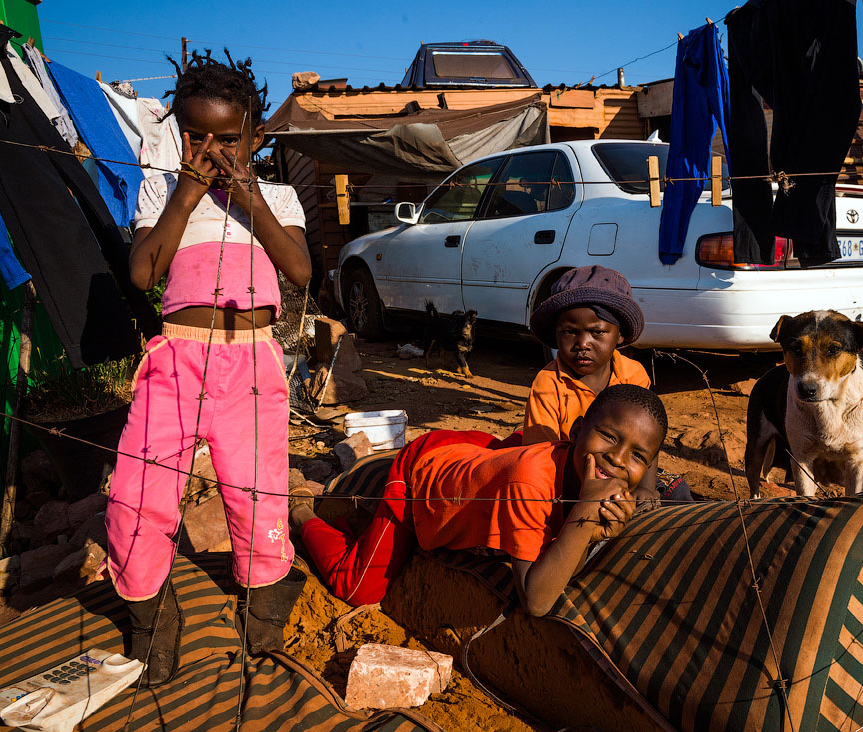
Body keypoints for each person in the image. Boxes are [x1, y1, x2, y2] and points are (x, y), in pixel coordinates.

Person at [104, 50, 311, 687]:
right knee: (138, 495)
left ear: (254, 137)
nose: (213, 149)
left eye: (229, 138)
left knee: (256, 492)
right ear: (179, 135)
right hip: (175, 359)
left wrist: (249, 198)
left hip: (251, 366)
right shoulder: (162, 189)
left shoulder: (276, 193)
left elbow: (300, 271)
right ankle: (150, 619)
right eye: (198, 136)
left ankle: (265, 613)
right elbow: (143, 273)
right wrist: (187, 194)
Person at [291, 385, 668, 616]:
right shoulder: (532, 483)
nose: (618, 460)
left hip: (480, 453)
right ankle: (303, 510)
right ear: (577, 428)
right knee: (357, 587)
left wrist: (596, 527)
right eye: (608, 436)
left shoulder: (602, 482)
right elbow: (535, 601)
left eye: (638, 456)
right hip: (423, 472)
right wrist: (586, 517)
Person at [524, 265, 692, 502]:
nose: (583, 343)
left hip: (624, 471)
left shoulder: (633, 375)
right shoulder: (548, 384)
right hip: (570, 480)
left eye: (597, 333)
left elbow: (648, 440)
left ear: (619, 335)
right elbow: (539, 458)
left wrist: (645, 489)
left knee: (677, 492)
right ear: (556, 334)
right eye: (569, 332)